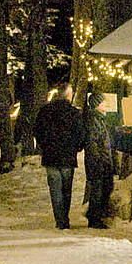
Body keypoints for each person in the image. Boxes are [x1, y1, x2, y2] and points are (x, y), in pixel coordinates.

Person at [32, 85, 85, 228]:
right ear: (68, 95)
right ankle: (64, 218)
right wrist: (77, 148)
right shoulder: (74, 113)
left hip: (50, 156)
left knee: (55, 189)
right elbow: (80, 134)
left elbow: (37, 131)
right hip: (67, 156)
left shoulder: (45, 111)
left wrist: (44, 146)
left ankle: (59, 220)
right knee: (66, 189)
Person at [81, 93, 115, 229]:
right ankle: (94, 218)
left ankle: (96, 215)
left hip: (100, 160)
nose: (105, 105)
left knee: (103, 188)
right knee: (97, 190)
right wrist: (100, 160)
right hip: (97, 162)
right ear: (97, 105)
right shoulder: (93, 120)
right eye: (103, 102)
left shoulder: (99, 119)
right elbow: (93, 143)